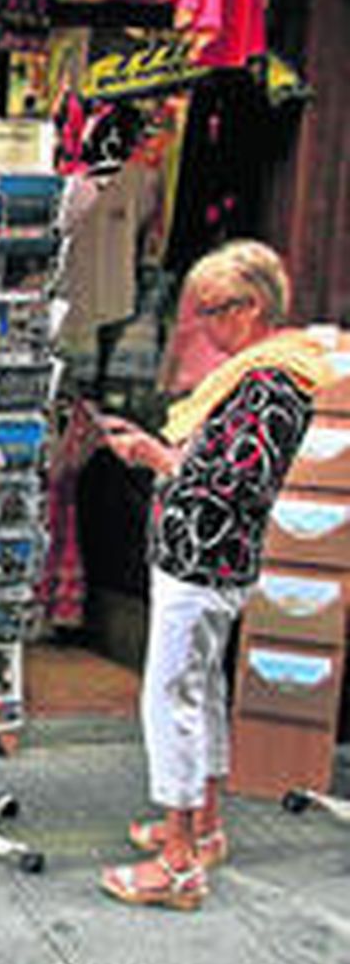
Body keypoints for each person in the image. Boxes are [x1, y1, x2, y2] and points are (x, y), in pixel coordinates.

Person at [97, 240, 332, 911]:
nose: (202, 325)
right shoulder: (265, 375)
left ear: (250, 307)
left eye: (212, 310)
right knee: (198, 690)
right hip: (209, 557)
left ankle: (176, 862)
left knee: (171, 696)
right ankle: (203, 826)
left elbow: (237, 481)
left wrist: (155, 458)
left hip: (203, 558)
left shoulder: (271, 382)